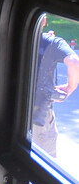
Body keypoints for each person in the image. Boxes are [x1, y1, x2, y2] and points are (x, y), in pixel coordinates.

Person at [32, 16, 79, 158]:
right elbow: (74, 61)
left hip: (11, 107)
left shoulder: (12, 36)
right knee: (45, 161)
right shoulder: (52, 42)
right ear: (44, 21)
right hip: (39, 113)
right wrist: (70, 88)